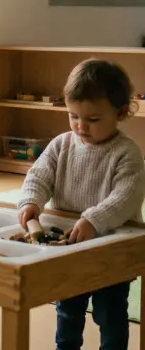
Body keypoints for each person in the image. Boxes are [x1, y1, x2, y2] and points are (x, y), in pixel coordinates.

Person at [18, 59, 145, 350]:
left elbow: (126, 197)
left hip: (110, 250)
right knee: (67, 311)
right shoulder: (61, 144)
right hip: (70, 248)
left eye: (93, 119)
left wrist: (93, 219)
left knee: (110, 314)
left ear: (121, 112)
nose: (80, 126)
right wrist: (31, 203)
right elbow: (39, 175)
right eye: (73, 116)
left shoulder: (127, 153)